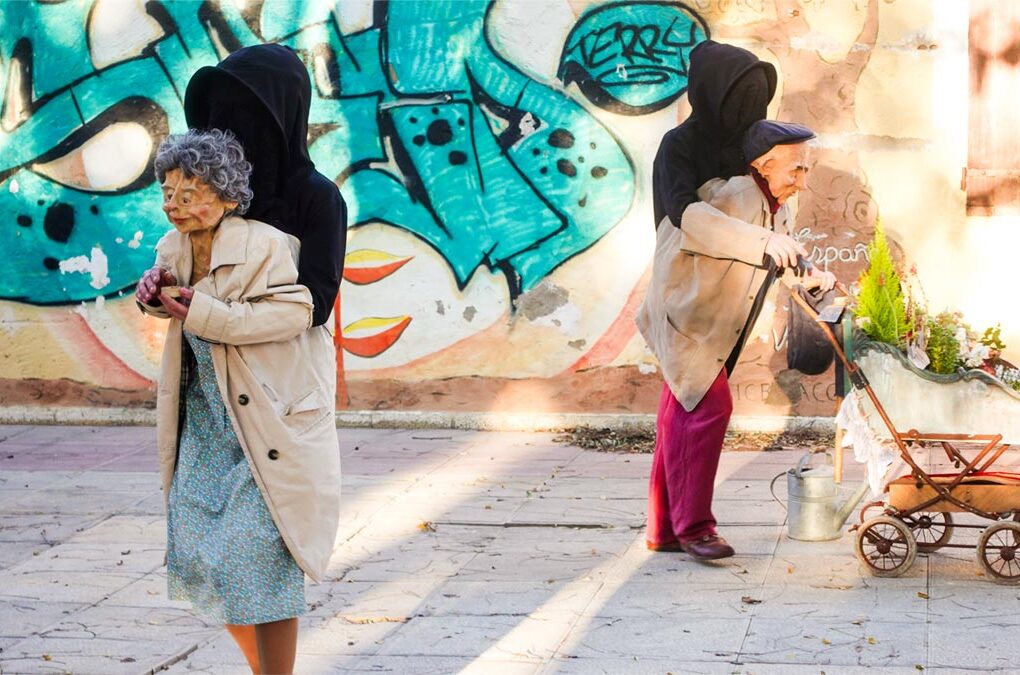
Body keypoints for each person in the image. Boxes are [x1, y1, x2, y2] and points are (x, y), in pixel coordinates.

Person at [135, 129, 341, 674]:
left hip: (262, 420)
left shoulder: (266, 245)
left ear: (227, 197)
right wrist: (153, 295)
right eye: (168, 193)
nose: (173, 205)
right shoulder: (172, 248)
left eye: (188, 194)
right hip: (203, 420)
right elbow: (177, 306)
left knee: (259, 557)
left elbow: (295, 312)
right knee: (198, 553)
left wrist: (202, 312)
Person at [637, 120, 836, 561]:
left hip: (706, 324)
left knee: (679, 417)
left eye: (805, 170)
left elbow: (780, 258)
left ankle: (665, 529)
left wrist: (810, 275)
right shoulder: (734, 195)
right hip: (687, 320)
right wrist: (765, 240)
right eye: (796, 170)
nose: (803, 181)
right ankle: (696, 530)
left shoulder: (777, 208)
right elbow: (700, 224)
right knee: (707, 410)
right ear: (763, 166)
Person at [140, 43, 345, 328]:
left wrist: (209, 316)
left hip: (275, 358)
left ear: (283, 115)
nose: (229, 126)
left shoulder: (318, 197)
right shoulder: (207, 185)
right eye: (219, 111)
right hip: (197, 355)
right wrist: (160, 291)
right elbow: (187, 286)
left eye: (245, 112)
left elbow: (314, 306)